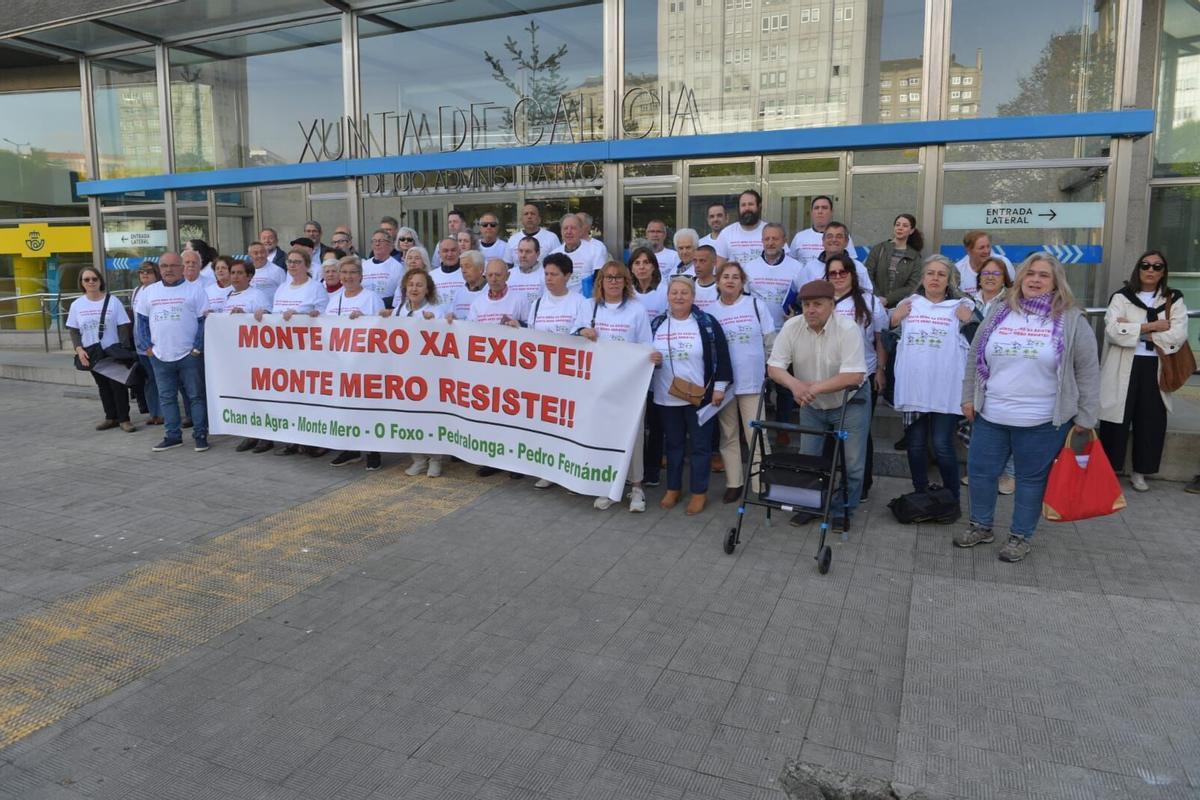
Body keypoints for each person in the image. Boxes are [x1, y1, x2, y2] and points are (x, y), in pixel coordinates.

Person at [960, 253, 1100, 563]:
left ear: (1056, 282)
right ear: (1020, 278)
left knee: (1030, 480)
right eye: (1030, 274)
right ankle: (981, 526)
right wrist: (968, 396)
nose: (1035, 280)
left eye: (1043, 276)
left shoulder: (1071, 319)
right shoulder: (999, 311)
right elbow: (974, 357)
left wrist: (1087, 418)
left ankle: (1020, 536)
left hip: (1042, 421)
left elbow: (1088, 371)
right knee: (981, 474)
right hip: (991, 414)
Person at [767, 279, 869, 530]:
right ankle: (810, 506)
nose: (810, 309)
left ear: (832, 305)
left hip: (849, 401)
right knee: (809, 459)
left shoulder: (847, 328)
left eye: (817, 304)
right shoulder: (792, 326)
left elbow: (854, 375)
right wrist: (794, 385)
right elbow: (774, 367)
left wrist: (811, 388)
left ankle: (842, 510)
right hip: (811, 404)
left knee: (853, 463)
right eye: (806, 304)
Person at [1098, 250, 1190, 493]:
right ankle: (1109, 470)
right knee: (1115, 419)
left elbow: (1177, 334)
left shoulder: (1173, 298)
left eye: (1157, 266)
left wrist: (1136, 331)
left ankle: (1140, 472)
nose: (1151, 270)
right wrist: (1152, 326)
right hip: (1122, 365)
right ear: (1138, 269)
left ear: (1163, 272)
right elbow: (1112, 332)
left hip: (1155, 366)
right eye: (1145, 265)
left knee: (1151, 420)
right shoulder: (1121, 296)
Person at [891, 255, 973, 504]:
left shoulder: (962, 306)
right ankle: (920, 494)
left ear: (949, 280)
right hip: (914, 388)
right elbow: (888, 336)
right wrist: (895, 319)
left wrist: (967, 321)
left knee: (942, 446)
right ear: (923, 278)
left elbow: (977, 342)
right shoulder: (909, 305)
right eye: (930, 273)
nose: (935, 278)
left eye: (941, 274)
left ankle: (952, 497)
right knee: (915, 446)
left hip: (945, 391)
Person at [650, 275, 733, 515]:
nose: (679, 297)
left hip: (700, 397)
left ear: (693, 297)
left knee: (700, 446)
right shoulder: (657, 324)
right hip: (667, 397)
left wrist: (719, 388)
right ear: (667, 296)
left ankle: (699, 492)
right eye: (674, 292)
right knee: (674, 445)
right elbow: (644, 353)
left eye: (684, 293)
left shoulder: (706, 323)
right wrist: (651, 359)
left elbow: (722, 357)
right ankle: (673, 488)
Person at [578, 261, 652, 512]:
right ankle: (608, 486)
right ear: (600, 282)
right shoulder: (589, 307)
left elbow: (645, 346)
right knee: (604, 434)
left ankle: (637, 488)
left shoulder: (636, 309)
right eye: (608, 278)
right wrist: (582, 332)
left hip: (630, 384)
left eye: (618, 277)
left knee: (633, 436)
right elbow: (572, 336)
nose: (613, 282)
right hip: (597, 383)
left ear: (625, 281)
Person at [710, 261, 775, 503]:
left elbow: (770, 340)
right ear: (717, 282)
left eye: (735, 277)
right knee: (728, 435)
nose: (730, 280)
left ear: (742, 282)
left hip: (752, 381)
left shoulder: (755, 305)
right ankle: (734, 483)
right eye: (725, 276)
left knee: (757, 433)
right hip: (724, 385)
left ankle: (761, 483)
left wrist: (769, 369)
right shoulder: (711, 311)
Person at [827, 253, 888, 501]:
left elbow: (880, 338)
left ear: (852, 274)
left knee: (860, 433)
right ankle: (831, 480)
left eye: (843, 272)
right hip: (829, 377)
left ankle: (861, 484)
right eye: (833, 273)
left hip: (864, 376)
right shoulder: (821, 300)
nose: (839, 277)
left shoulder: (870, 302)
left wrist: (881, 370)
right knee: (831, 432)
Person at [134, 251, 210, 453]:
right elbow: (141, 322)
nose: (169, 269)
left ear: (182, 268)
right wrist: (148, 348)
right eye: (164, 266)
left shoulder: (195, 291)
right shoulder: (149, 292)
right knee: (167, 398)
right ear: (160, 269)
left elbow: (204, 322)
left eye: (173, 266)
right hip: (160, 356)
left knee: (196, 397)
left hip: (189, 356)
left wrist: (197, 349)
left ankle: (200, 435)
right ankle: (172, 436)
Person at [254, 249, 327, 457]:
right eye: (290, 262)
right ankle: (291, 440)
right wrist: (265, 314)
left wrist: (300, 316)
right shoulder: (282, 289)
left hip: (307, 352)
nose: (292, 265)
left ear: (307, 265)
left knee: (308, 398)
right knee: (288, 397)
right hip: (283, 351)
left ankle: (311, 439)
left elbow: (323, 317)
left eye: (297, 262)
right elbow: (276, 315)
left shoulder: (315, 289)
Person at [963, 256, 1016, 495]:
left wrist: (971, 321)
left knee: (1005, 423)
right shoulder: (967, 301)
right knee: (980, 423)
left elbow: (989, 332)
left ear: (1005, 278)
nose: (990, 277)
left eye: (996, 273)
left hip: (1002, 371)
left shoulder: (1013, 302)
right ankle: (984, 471)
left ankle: (1009, 474)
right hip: (972, 371)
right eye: (986, 273)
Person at [326, 257, 385, 471]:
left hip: (365, 363)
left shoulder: (371, 298)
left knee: (367, 407)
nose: (348, 277)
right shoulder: (334, 299)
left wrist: (364, 320)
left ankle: (372, 450)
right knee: (344, 407)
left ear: (361, 275)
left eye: (352, 273)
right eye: (344, 273)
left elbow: (382, 327)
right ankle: (350, 448)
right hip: (340, 363)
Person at [68, 266, 136, 433]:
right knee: (103, 385)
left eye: (94, 279)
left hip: (112, 350)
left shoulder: (113, 301)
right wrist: (79, 349)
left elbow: (123, 326)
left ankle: (124, 419)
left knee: (117, 385)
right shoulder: (77, 304)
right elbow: (74, 330)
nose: (91, 282)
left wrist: (123, 349)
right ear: (82, 283)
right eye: (87, 279)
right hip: (92, 352)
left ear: (100, 281)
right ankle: (110, 417)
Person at [222, 261, 273, 453]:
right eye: (232, 272)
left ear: (249, 276)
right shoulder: (228, 295)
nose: (234, 276)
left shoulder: (257, 295)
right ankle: (250, 434)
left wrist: (246, 315)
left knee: (261, 397)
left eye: (239, 273)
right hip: (236, 355)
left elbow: (267, 317)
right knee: (244, 396)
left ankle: (266, 437)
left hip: (256, 356)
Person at [628, 247, 667, 485]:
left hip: (657, 362)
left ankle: (652, 468)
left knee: (655, 420)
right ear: (631, 267)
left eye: (646, 262)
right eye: (637, 263)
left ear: (654, 266)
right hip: (631, 365)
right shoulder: (627, 293)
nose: (642, 267)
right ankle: (633, 468)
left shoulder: (663, 292)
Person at [742, 222, 805, 328]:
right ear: (762, 241)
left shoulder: (798, 268)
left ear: (784, 241)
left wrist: (797, 315)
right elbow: (743, 301)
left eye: (775, 239)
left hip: (787, 331)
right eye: (767, 239)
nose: (770, 243)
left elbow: (805, 300)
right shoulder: (749, 268)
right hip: (758, 331)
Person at [864, 213, 924, 308]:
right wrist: (878, 298)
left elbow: (913, 285)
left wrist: (888, 299)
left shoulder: (915, 256)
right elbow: (867, 274)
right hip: (875, 304)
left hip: (900, 306)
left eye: (905, 226)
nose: (900, 228)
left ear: (911, 231)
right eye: (897, 224)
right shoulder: (879, 249)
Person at [131, 261, 162, 425]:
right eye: (141, 271)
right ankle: (153, 413)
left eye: (149, 271)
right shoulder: (136, 291)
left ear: (156, 273)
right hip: (139, 344)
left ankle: (163, 412)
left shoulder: (158, 291)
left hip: (154, 344)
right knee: (149, 379)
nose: (144, 274)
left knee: (160, 379)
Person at [797, 222, 873, 290]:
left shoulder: (858, 268)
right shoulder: (809, 268)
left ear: (846, 242)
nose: (834, 240)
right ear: (823, 241)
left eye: (839, 236)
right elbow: (801, 294)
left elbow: (867, 296)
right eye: (829, 236)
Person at [789, 196, 856, 265]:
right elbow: (790, 263)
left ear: (831, 212)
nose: (820, 211)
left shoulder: (841, 236)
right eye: (816, 208)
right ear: (811, 212)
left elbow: (851, 263)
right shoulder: (800, 237)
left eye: (824, 208)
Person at [550, 213, 604, 293]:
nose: (569, 232)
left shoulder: (595, 250)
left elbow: (599, 280)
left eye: (573, 228)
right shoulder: (553, 255)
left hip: (587, 301)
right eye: (565, 228)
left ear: (580, 231)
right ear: (561, 231)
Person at [468, 258, 530, 325]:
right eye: (490, 275)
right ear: (485, 276)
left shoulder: (520, 299)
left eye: (498, 275)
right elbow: (470, 328)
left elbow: (531, 328)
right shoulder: (477, 302)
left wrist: (520, 324)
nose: (493, 279)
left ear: (507, 276)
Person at [715, 189, 767, 267]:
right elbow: (719, 267)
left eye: (751, 204)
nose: (747, 208)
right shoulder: (726, 233)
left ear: (759, 207)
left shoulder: (770, 231)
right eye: (743, 205)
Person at [955, 231, 1015, 296]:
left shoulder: (1003, 262)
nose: (987, 251)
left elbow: (1014, 289)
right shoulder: (959, 269)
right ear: (968, 250)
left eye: (988, 246)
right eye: (981, 248)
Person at [362, 229, 402, 307]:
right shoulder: (364, 265)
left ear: (390, 245)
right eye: (374, 241)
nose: (377, 244)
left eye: (381, 241)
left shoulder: (397, 267)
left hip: (386, 309)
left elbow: (400, 294)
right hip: (365, 306)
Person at [446, 250, 485, 320]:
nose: (463, 270)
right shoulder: (458, 292)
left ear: (480, 269)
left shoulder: (491, 290)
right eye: (461, 267)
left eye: (468, 266)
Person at [508, 236, 546, 303]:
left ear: (538, 253)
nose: (523, 255)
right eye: (520, 251)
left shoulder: (546, 275)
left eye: (528, 251)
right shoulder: (508, 275)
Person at [692, 245, 720, 312]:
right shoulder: (688, 285)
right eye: (695, 261)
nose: (697, 265)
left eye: (702, 261)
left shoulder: (723, 286)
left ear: (714, 262)